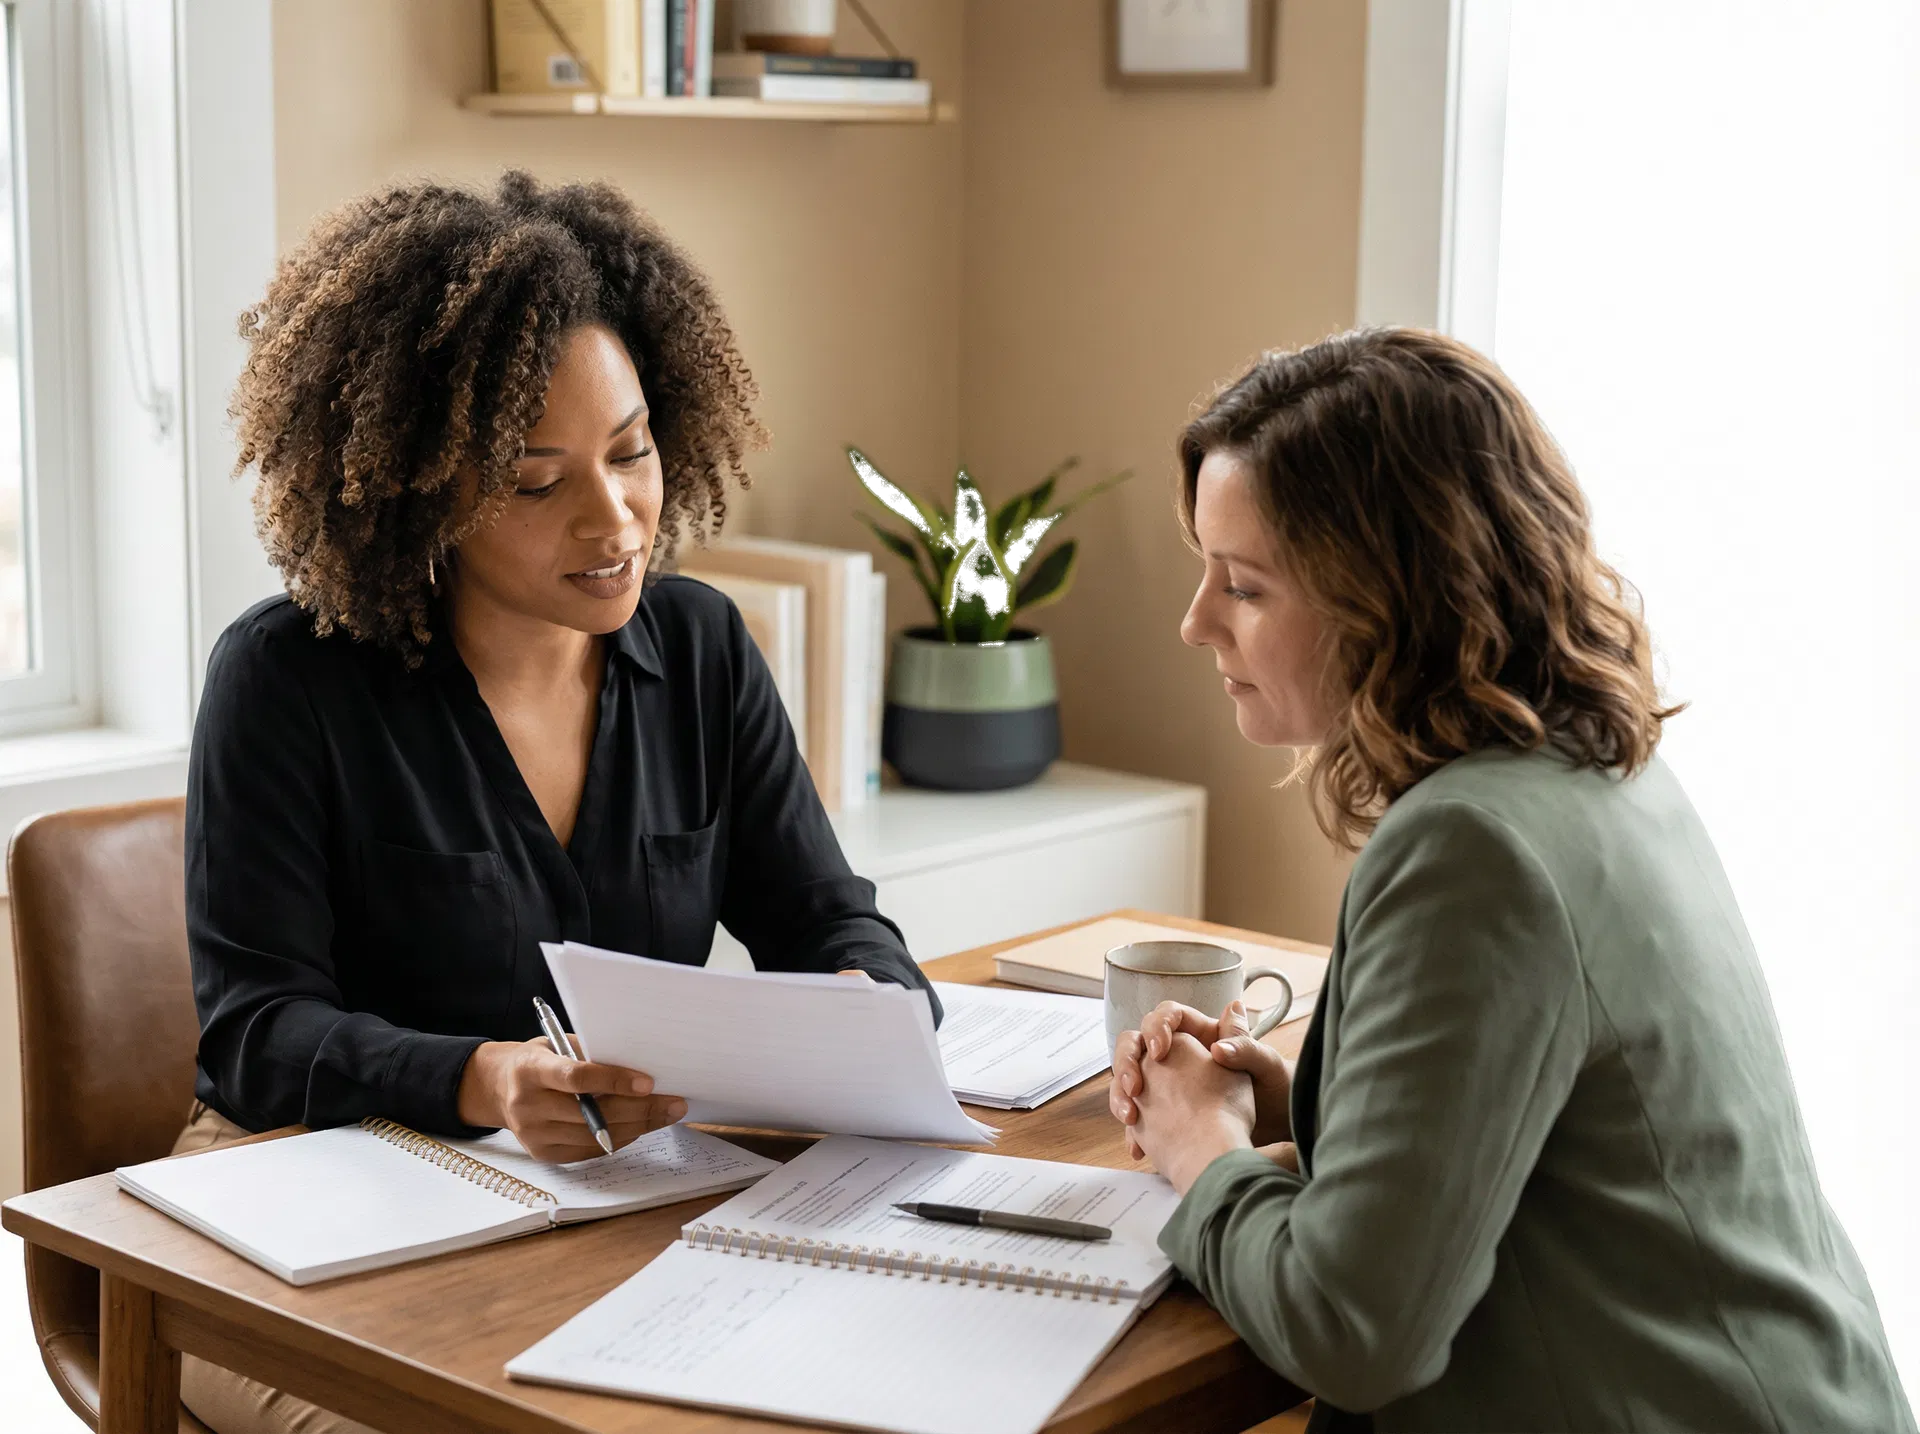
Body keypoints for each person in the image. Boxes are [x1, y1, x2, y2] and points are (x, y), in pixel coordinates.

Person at [177, 172, 936, 1434]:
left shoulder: (702, 650)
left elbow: (827, 915)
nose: (615, 518)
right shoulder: (286, 680)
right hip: (294, 1195)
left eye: (632, 451)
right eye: (536, 483)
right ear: (423, 491)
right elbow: (252, 1038)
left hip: (592, 1206)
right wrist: (484, 1078)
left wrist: (870, 1005)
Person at [1109, 329, 1914, 1433]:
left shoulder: (1472, 848)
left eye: (1243, 585)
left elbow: (1354, 1331)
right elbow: (1586, 1131)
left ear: (1387, 596)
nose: (1197, 621)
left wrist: (1204, 1149)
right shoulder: (1598, 773)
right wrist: (1299, 1103)